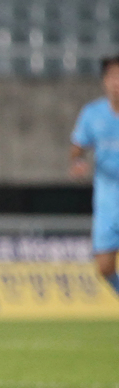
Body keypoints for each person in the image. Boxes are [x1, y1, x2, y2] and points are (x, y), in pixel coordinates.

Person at [69, 54, 119, 297]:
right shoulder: (93, 113)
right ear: (105, 81)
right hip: (108, 202)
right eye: (113, 76)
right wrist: (77, 162)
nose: (117, 82)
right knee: (104, 267)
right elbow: (77, 148)